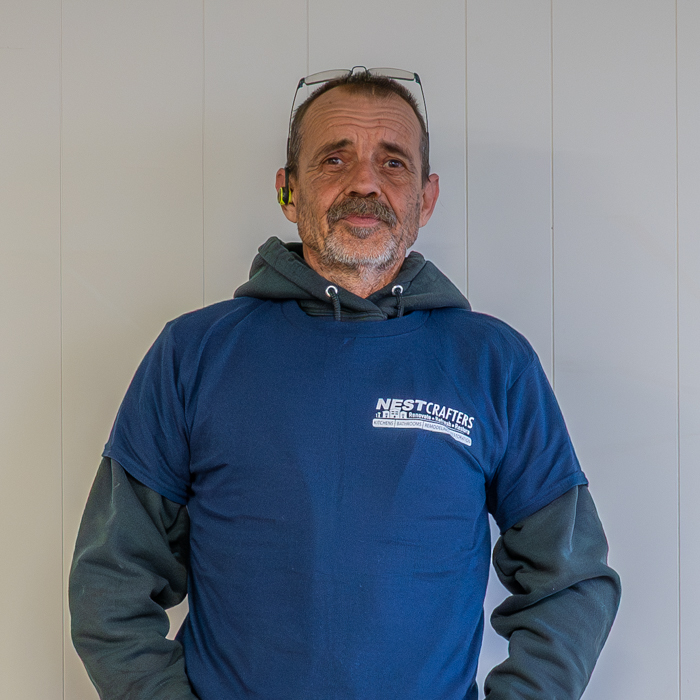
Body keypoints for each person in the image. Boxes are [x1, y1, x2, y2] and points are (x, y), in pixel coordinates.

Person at [70, 67, 621, 700]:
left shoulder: (494, 364)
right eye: (334, 159)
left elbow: (571, 581)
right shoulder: (193, 354)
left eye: (393, 163)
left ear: (426, 198)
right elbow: (110, 582)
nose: (364, 181)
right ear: (288, 191)